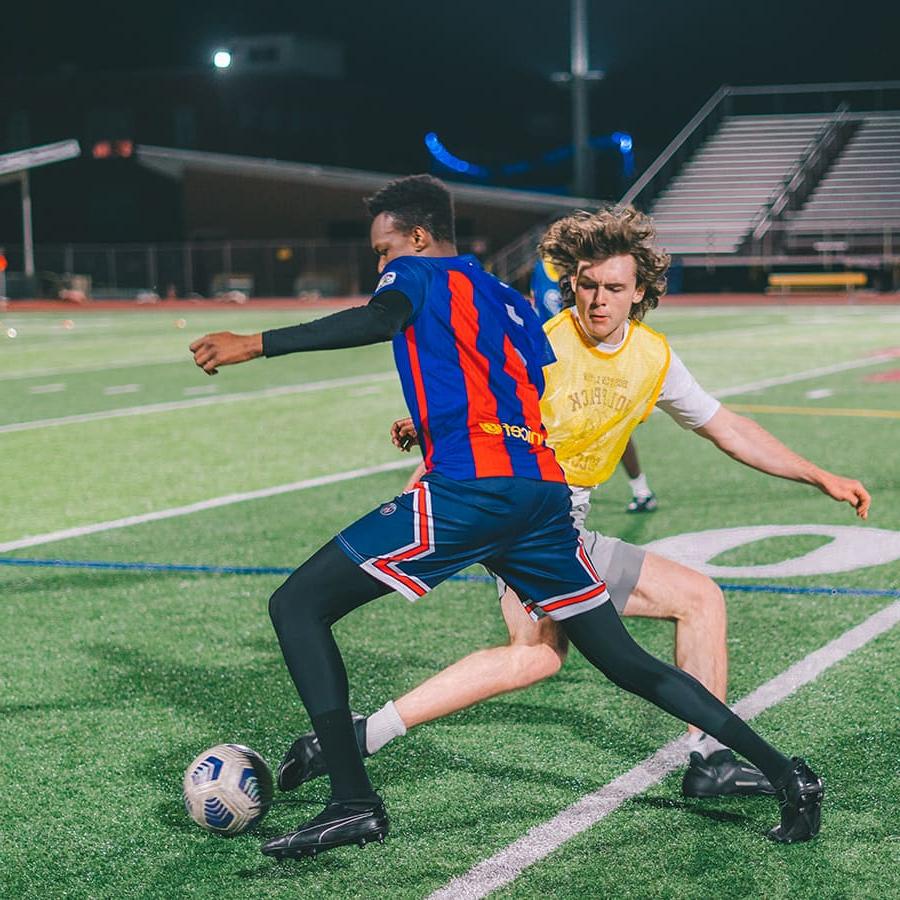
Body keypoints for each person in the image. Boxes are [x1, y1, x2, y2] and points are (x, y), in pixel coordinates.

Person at [190, 177, 834, 859]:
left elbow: (381, 318)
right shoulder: (506, 299)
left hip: (476, 491)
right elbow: (519, 389)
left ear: (415, 237)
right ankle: (786, 774)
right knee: (622, 660)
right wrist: (441, 426)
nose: (381, 264)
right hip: (543, 496)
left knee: (297, 606)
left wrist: (254, 342)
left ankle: (353, 800)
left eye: (383, 249)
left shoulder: (416, 273)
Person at [533, 254, 658, 513]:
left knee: (611, 426)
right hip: (554, 361)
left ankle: (641, 488)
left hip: (588, 360)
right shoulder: (542, 270)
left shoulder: (589, 275)